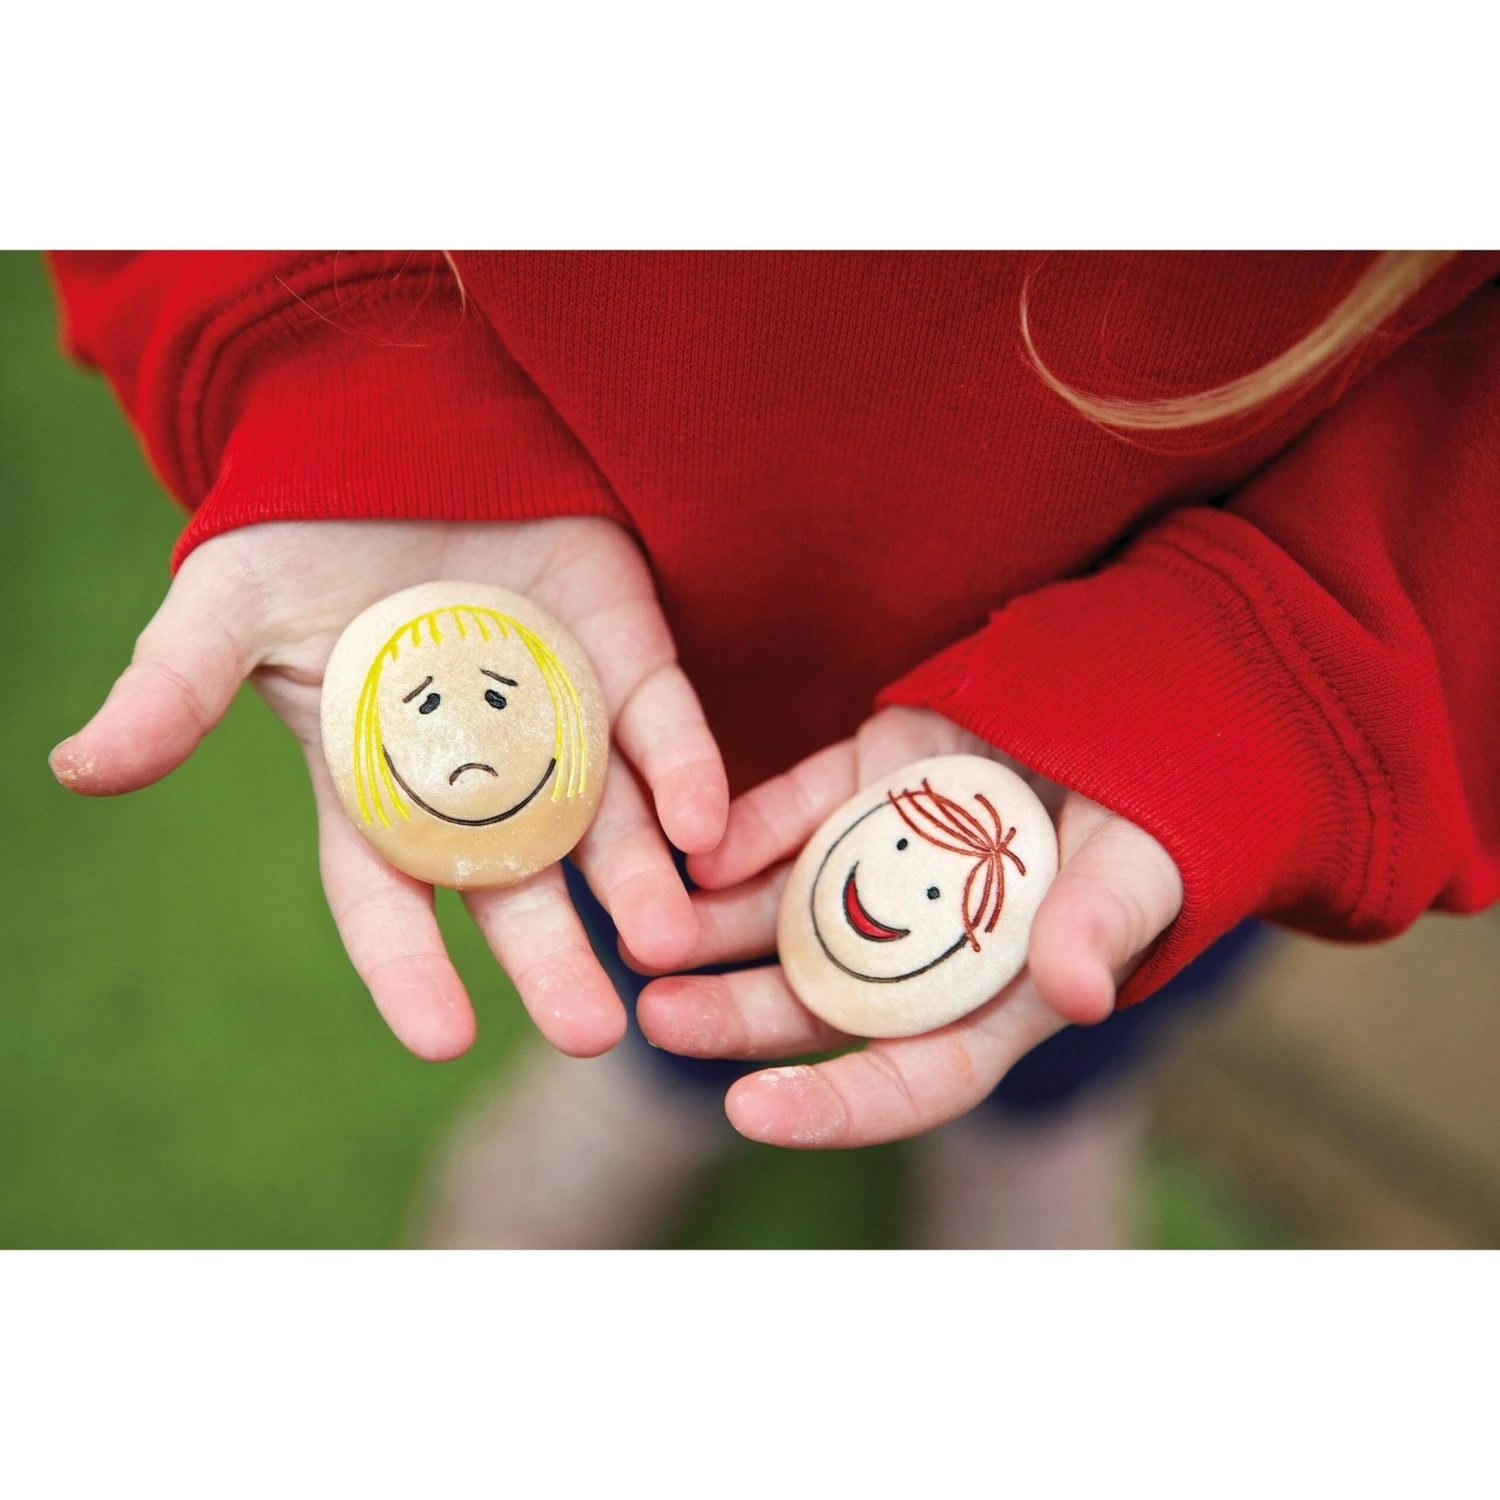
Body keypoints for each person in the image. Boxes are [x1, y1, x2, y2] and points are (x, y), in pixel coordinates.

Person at [46, 252, 1500, 1245]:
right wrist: (347, 375)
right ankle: (653, 1087)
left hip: (1164, 685)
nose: (467, 733)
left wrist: (1281, 680)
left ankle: (1044, 1120)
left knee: (1098, 961)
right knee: (663, 896)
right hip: (658, 629)